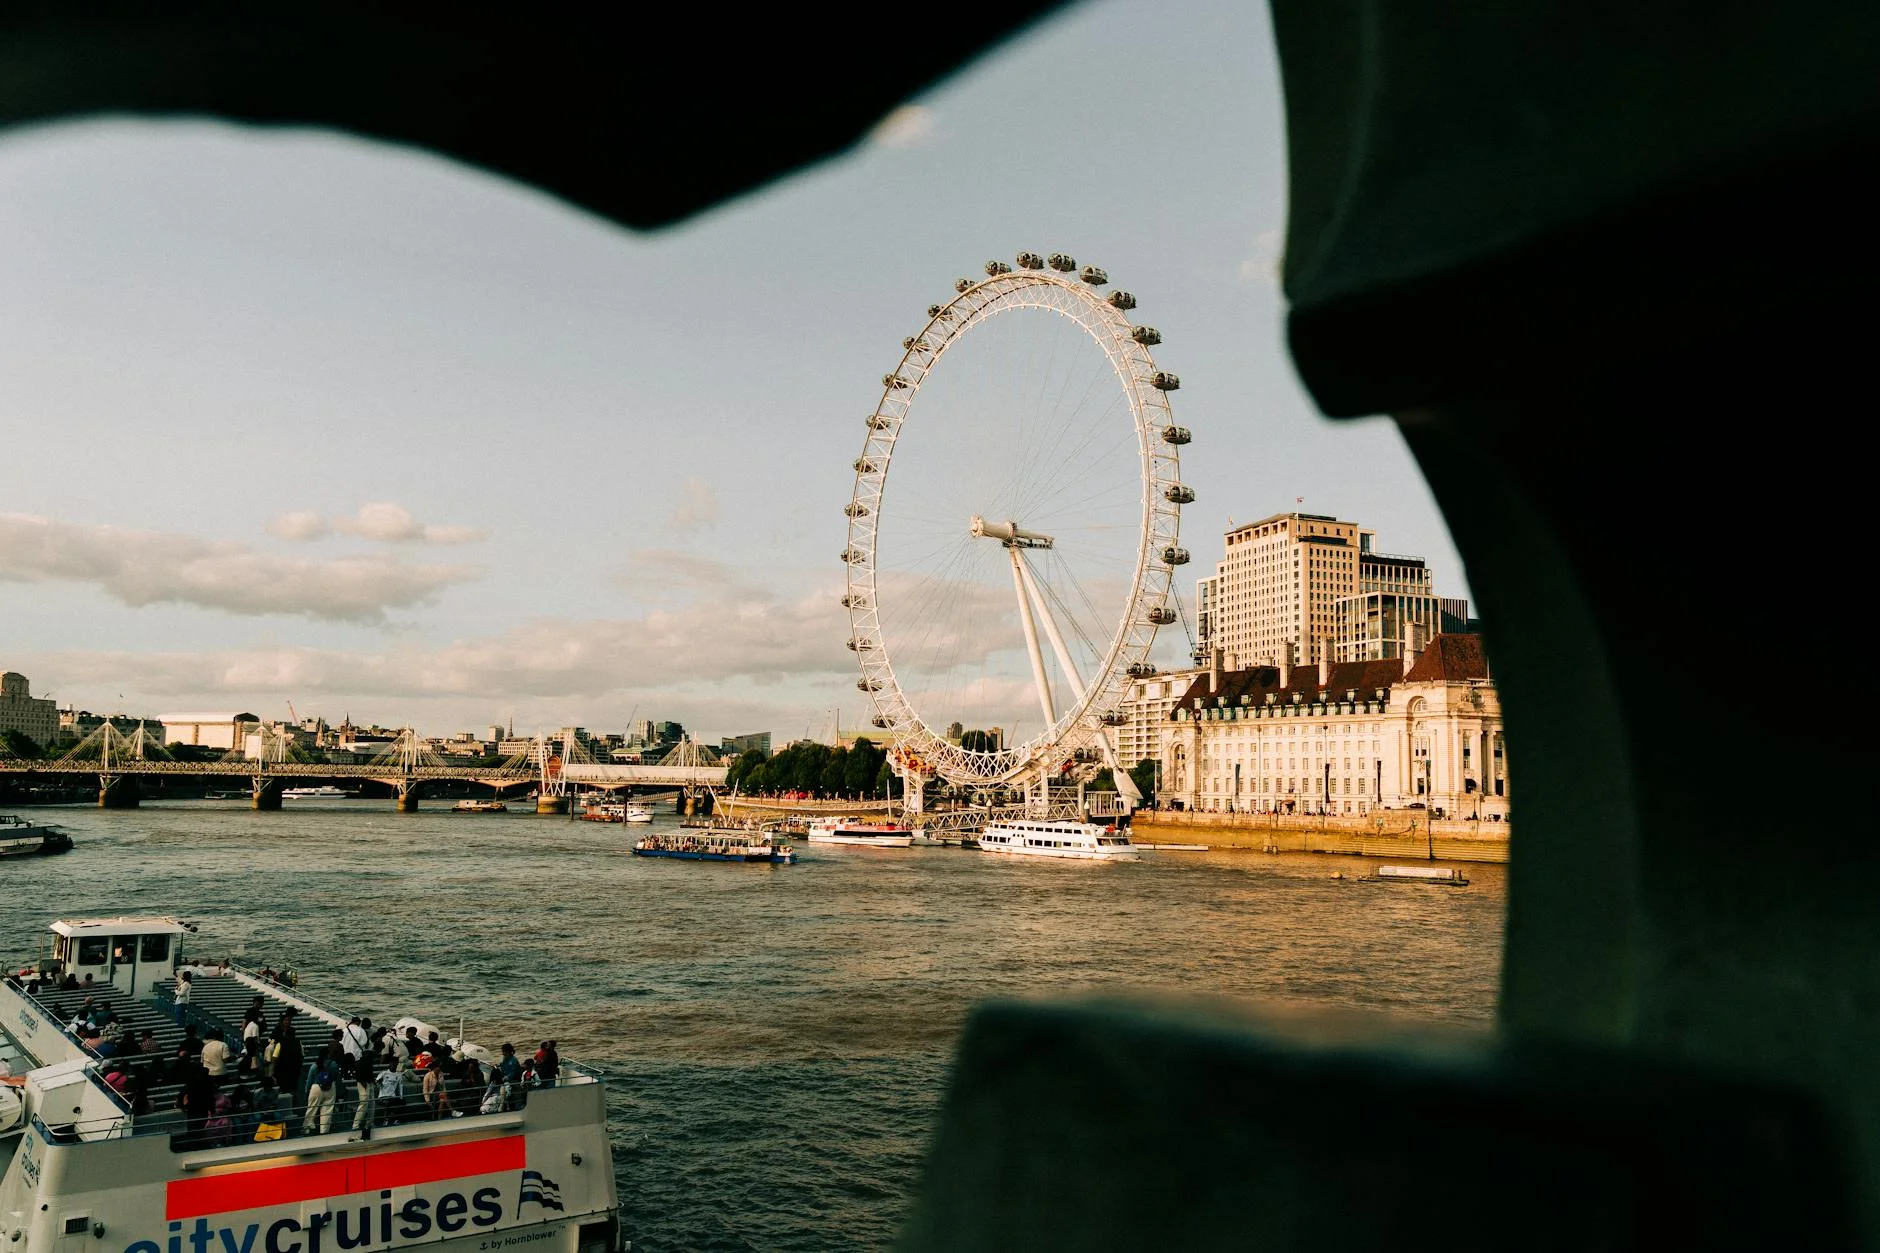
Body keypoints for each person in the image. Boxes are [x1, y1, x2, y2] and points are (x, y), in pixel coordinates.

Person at [303, 1047, 339, 1136]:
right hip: (330, 1087)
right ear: (328, 1054)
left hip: (316, 1087)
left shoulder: (315, 1065)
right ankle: (324, 1131)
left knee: (311, 1109)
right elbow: (336, 1077)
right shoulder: (333, 1064)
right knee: (327, 1110)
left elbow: (310, 1079)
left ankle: (307, 1129)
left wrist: (307, 1090)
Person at [350, 1047, 377, 1132]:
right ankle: (356, 1125)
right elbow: (358, 1076)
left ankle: (369, 1123)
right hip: (363, 1084)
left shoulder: (367, 1062)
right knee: (364, 1104)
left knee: (372, 1104)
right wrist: (363, 1082)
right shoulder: (361, 1063)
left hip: (369, 1083)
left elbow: (370, 1074)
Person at [376, 1057, 407, 1125]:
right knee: (390, 1102)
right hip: (382, 1096)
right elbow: (377, 1083)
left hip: (392, 1096)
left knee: (401, 1102)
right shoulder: (383, 1073)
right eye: (392, 1062)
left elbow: (400, 1087)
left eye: (396, 1063)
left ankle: (396, 1120)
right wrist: (379, 1082)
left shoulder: (399, 1075)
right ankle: (386, 1120)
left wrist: (401, 1097)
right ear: (390, 1063)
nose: (394, 1064)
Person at [200, 1026, 230, 1091]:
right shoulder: (223, 1045)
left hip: (209, 1074)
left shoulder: (206, 1046)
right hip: (221, 1074)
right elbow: (225, 1060)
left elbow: (202, 1061)